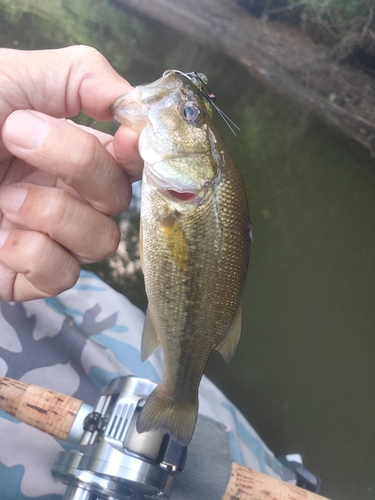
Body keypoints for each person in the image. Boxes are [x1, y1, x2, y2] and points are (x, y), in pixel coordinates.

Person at [0, 46, 298, 499]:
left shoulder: (192, 194)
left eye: (190, 114)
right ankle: (178, 397)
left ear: (200, 173)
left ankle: (178, 396)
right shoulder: (182, 189)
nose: (184, 108)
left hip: (185, 319)